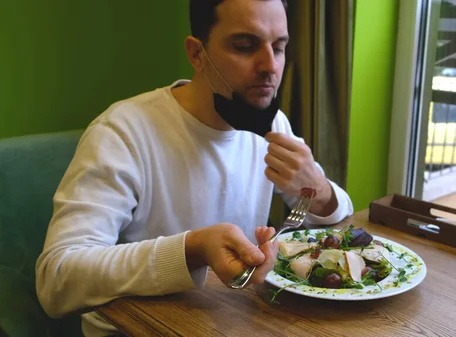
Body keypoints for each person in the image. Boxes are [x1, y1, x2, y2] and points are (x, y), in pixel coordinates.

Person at [34, 0, 354, 336]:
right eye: (245, 46)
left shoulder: (272, 124)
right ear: (196, 54)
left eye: (279, 47)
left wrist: (318, 189)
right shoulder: (122, 133)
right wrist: (191, 250)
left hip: (232, 322)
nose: (270, 66)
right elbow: (56, 280)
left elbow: (338, 215)